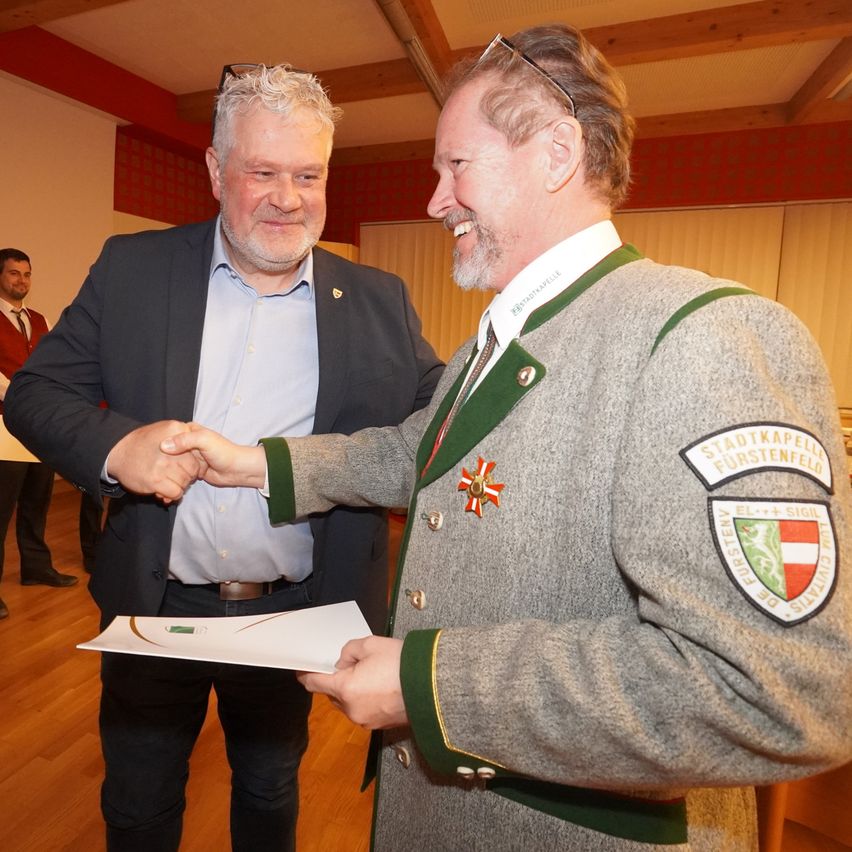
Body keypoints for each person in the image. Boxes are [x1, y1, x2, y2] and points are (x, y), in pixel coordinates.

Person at [162, 25, 852, 851]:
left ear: (556, 154)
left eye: (457, 166)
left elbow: (783, 691)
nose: (435, 200)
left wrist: (428, 684)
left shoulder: (706, 337)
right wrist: (253, 465)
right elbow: (419, 455)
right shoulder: (497, 341)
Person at [5, 64, 442, 850]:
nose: (288, 197)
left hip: (294, 609)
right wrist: (117, 446)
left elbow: (439, 428)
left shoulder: (379, 300)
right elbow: (33, 393)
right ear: (215, 170)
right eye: (263, 172)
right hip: (155, 607)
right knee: (138, 804)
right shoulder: (133, 270)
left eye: (308, 174)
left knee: (270, 788)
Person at [0, 248, 77, 619]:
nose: (22, 281)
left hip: (38, 426)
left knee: (36, 501)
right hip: (2, 427)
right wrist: (21, 395)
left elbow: (48, 365)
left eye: (27, 274)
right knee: (1, 510)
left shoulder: (38, 318)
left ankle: (35, 567)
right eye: (14, 274)